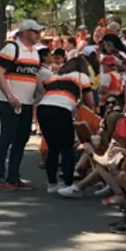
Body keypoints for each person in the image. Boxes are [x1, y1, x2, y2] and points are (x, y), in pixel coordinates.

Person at [0, 20, 44, 190]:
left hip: (26, 102)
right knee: (7, 137)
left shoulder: (35, 53)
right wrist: (9, 95)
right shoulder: (12, 48)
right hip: (9, 101)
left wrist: (40, 94)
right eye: (35, 31)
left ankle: (13, 177)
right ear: (25, 32)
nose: (39, 35)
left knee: (21, 139)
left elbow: (33, 77)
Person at [38, 55, 92, 193]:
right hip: (62, 110)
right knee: (66, 147)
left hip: (43, 108)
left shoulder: (55, 77)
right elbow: (90, 101)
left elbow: (46, 92)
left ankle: (52, 183)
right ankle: (68, 183)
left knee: (53, 147)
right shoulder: (82, 77)